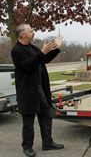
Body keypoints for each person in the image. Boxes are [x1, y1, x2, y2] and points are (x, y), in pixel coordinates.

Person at [11, 24, 65, 157]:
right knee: (28, 120)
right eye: (31, 31)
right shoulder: (17, 51)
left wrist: (56, 47)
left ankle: (47, 142)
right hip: (28, 90)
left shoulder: (32, 47)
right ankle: (27, 146)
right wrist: (42, 52)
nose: (33, 33)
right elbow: (28, 65)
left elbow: (44, 59)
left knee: (46, 116)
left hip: (40, 88)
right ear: (23, 35)